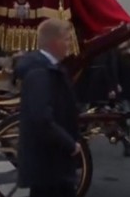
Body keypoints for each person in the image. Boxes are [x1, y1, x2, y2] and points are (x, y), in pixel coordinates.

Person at [14, 18, 81, 197]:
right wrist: (70, 144)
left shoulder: (44, 68)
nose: (69, 44)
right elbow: (41, 118)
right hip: (48, 162)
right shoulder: (40, 72)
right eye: (66, 39)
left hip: (50, 162)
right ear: (55, 42)